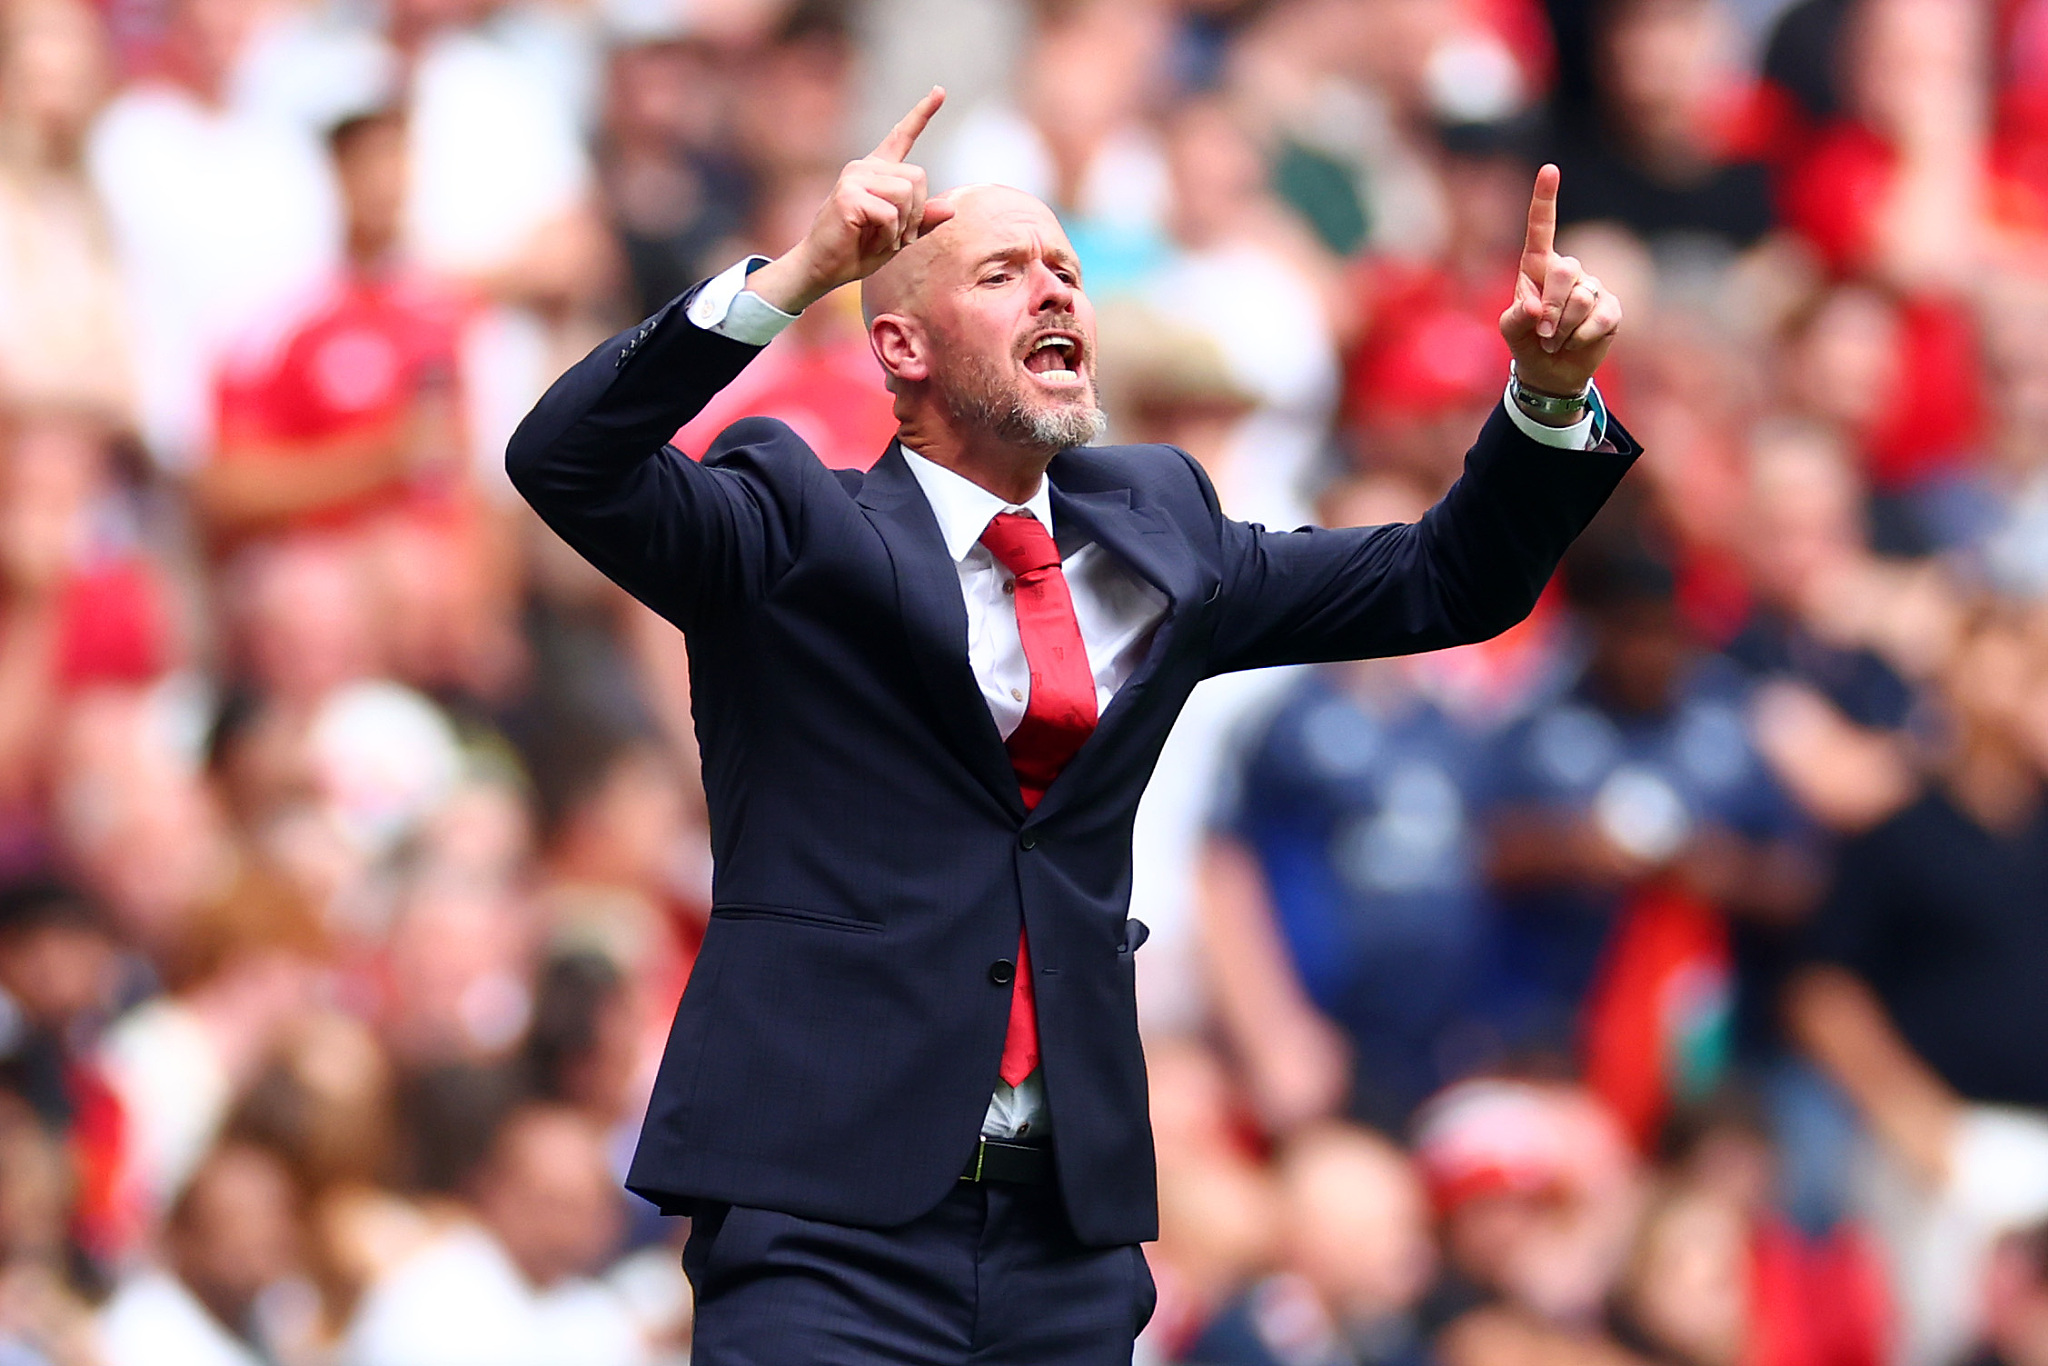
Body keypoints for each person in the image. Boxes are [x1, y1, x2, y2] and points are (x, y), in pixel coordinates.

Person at [507, 86, 1635, 1365]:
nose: (1054, 292)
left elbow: (1445, 582)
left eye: (1067, 269)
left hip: (1066, 1237)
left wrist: (1543, 397)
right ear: (901, 349)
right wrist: (805, 270)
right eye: (1002, 272)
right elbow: (566, 460)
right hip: (822, 1215)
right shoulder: (788, 525)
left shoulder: (1162, 532)